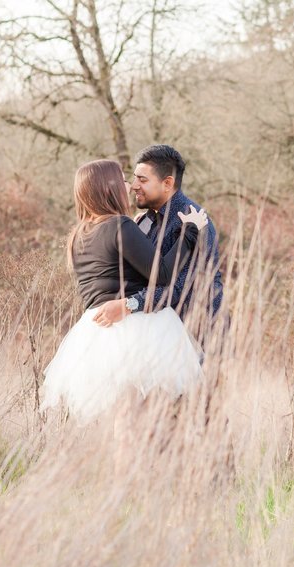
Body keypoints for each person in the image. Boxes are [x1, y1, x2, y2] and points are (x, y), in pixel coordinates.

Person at [39, 159, 209, 424]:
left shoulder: (79, 234)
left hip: (95, 333)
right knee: (141, 416)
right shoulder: (119, 226)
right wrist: (189, 232)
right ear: (109, 187)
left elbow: (110, 275)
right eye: (123, 180)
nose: (129, 186)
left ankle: (126, 465)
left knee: (124, 417)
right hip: (135, 328)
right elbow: (162, 273)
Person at [92, 145, 224, 340]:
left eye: (142, 179)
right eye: (135, 177)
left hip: (196, 333)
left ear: (167, 183)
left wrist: (128, 305)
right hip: (157, 333)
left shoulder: (193, 221)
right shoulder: (144, 221)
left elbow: (179, 288)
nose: (134, 185)